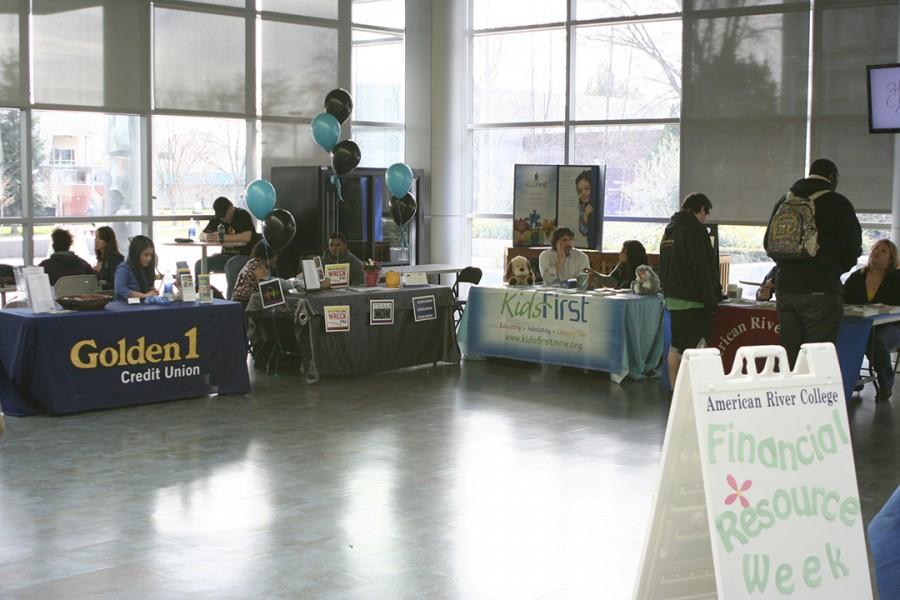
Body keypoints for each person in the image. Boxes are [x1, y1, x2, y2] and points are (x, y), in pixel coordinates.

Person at [764, 158, 862, 369]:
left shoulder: (784, 201)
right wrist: (832, 269)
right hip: (821, 291)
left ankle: (788, 398)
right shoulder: (838, 203)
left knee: (789, 353)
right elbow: (852, 249)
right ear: (832, 177)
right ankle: (813, 400)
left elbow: (769, 244)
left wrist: (789, 267)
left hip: (786, 289)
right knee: (818, 356)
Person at [660, 193, 722, 388]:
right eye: (706, 213)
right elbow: (702, 267)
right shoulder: (695, 230)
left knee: (675, 346)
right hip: (693, 300)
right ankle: (692, 392)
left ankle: (674, 389)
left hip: (672, 298)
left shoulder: (669, 230)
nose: (705, 218)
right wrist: (712, 298)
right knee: (695, 349)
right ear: (701, 209)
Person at [843, 239, 900, 401]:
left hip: (892, 326)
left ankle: (885, 382)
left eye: (883, 251)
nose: (877, 252)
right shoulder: (857, 277)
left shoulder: (897, 278)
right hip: (860, 325)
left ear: (891, 258)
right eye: (875, 248)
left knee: (873, 339)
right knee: (852, 336)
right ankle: (850, 378)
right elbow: (843, 298)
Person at [196, 196, 259, 277]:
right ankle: (201, 289)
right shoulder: (218, 218)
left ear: (231, 208)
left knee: (231, 266)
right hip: (225, 256)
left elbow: (247, 237)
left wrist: (222, 237)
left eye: (224, 215)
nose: (222, 218)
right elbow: (201, 235)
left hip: (245, 256)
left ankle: (232, 290)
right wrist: (208, 237)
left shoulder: (242, 215)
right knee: (200, 265)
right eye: (220, 216)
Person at [233, 241, 278, 308]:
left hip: (238, 304)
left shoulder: (251, 263)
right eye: (275, 255)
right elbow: (271, 298)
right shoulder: (259, 268)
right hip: (245, 305)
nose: (276, 259)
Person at [114, 235, 159, 300]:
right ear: (136, 254)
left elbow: (146, 291)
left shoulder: (145, 268)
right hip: (125, 307)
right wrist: (144, 296)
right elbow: (120, 289)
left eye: (151, 255)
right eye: (146, 255)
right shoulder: (124, 268)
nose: (149, 258)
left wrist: (152, 292)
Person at [93, 226, 124, 291]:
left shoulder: (115, 259)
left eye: (100, 238)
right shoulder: (100, 258)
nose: (96, 241)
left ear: (107, 241)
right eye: (96, 237)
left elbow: (114, 283)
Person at [576, 170, 594, 244]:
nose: (583, 193)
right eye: (580, 191)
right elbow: (583, 231)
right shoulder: (582, 206)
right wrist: (585, 217)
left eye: (586, 189)